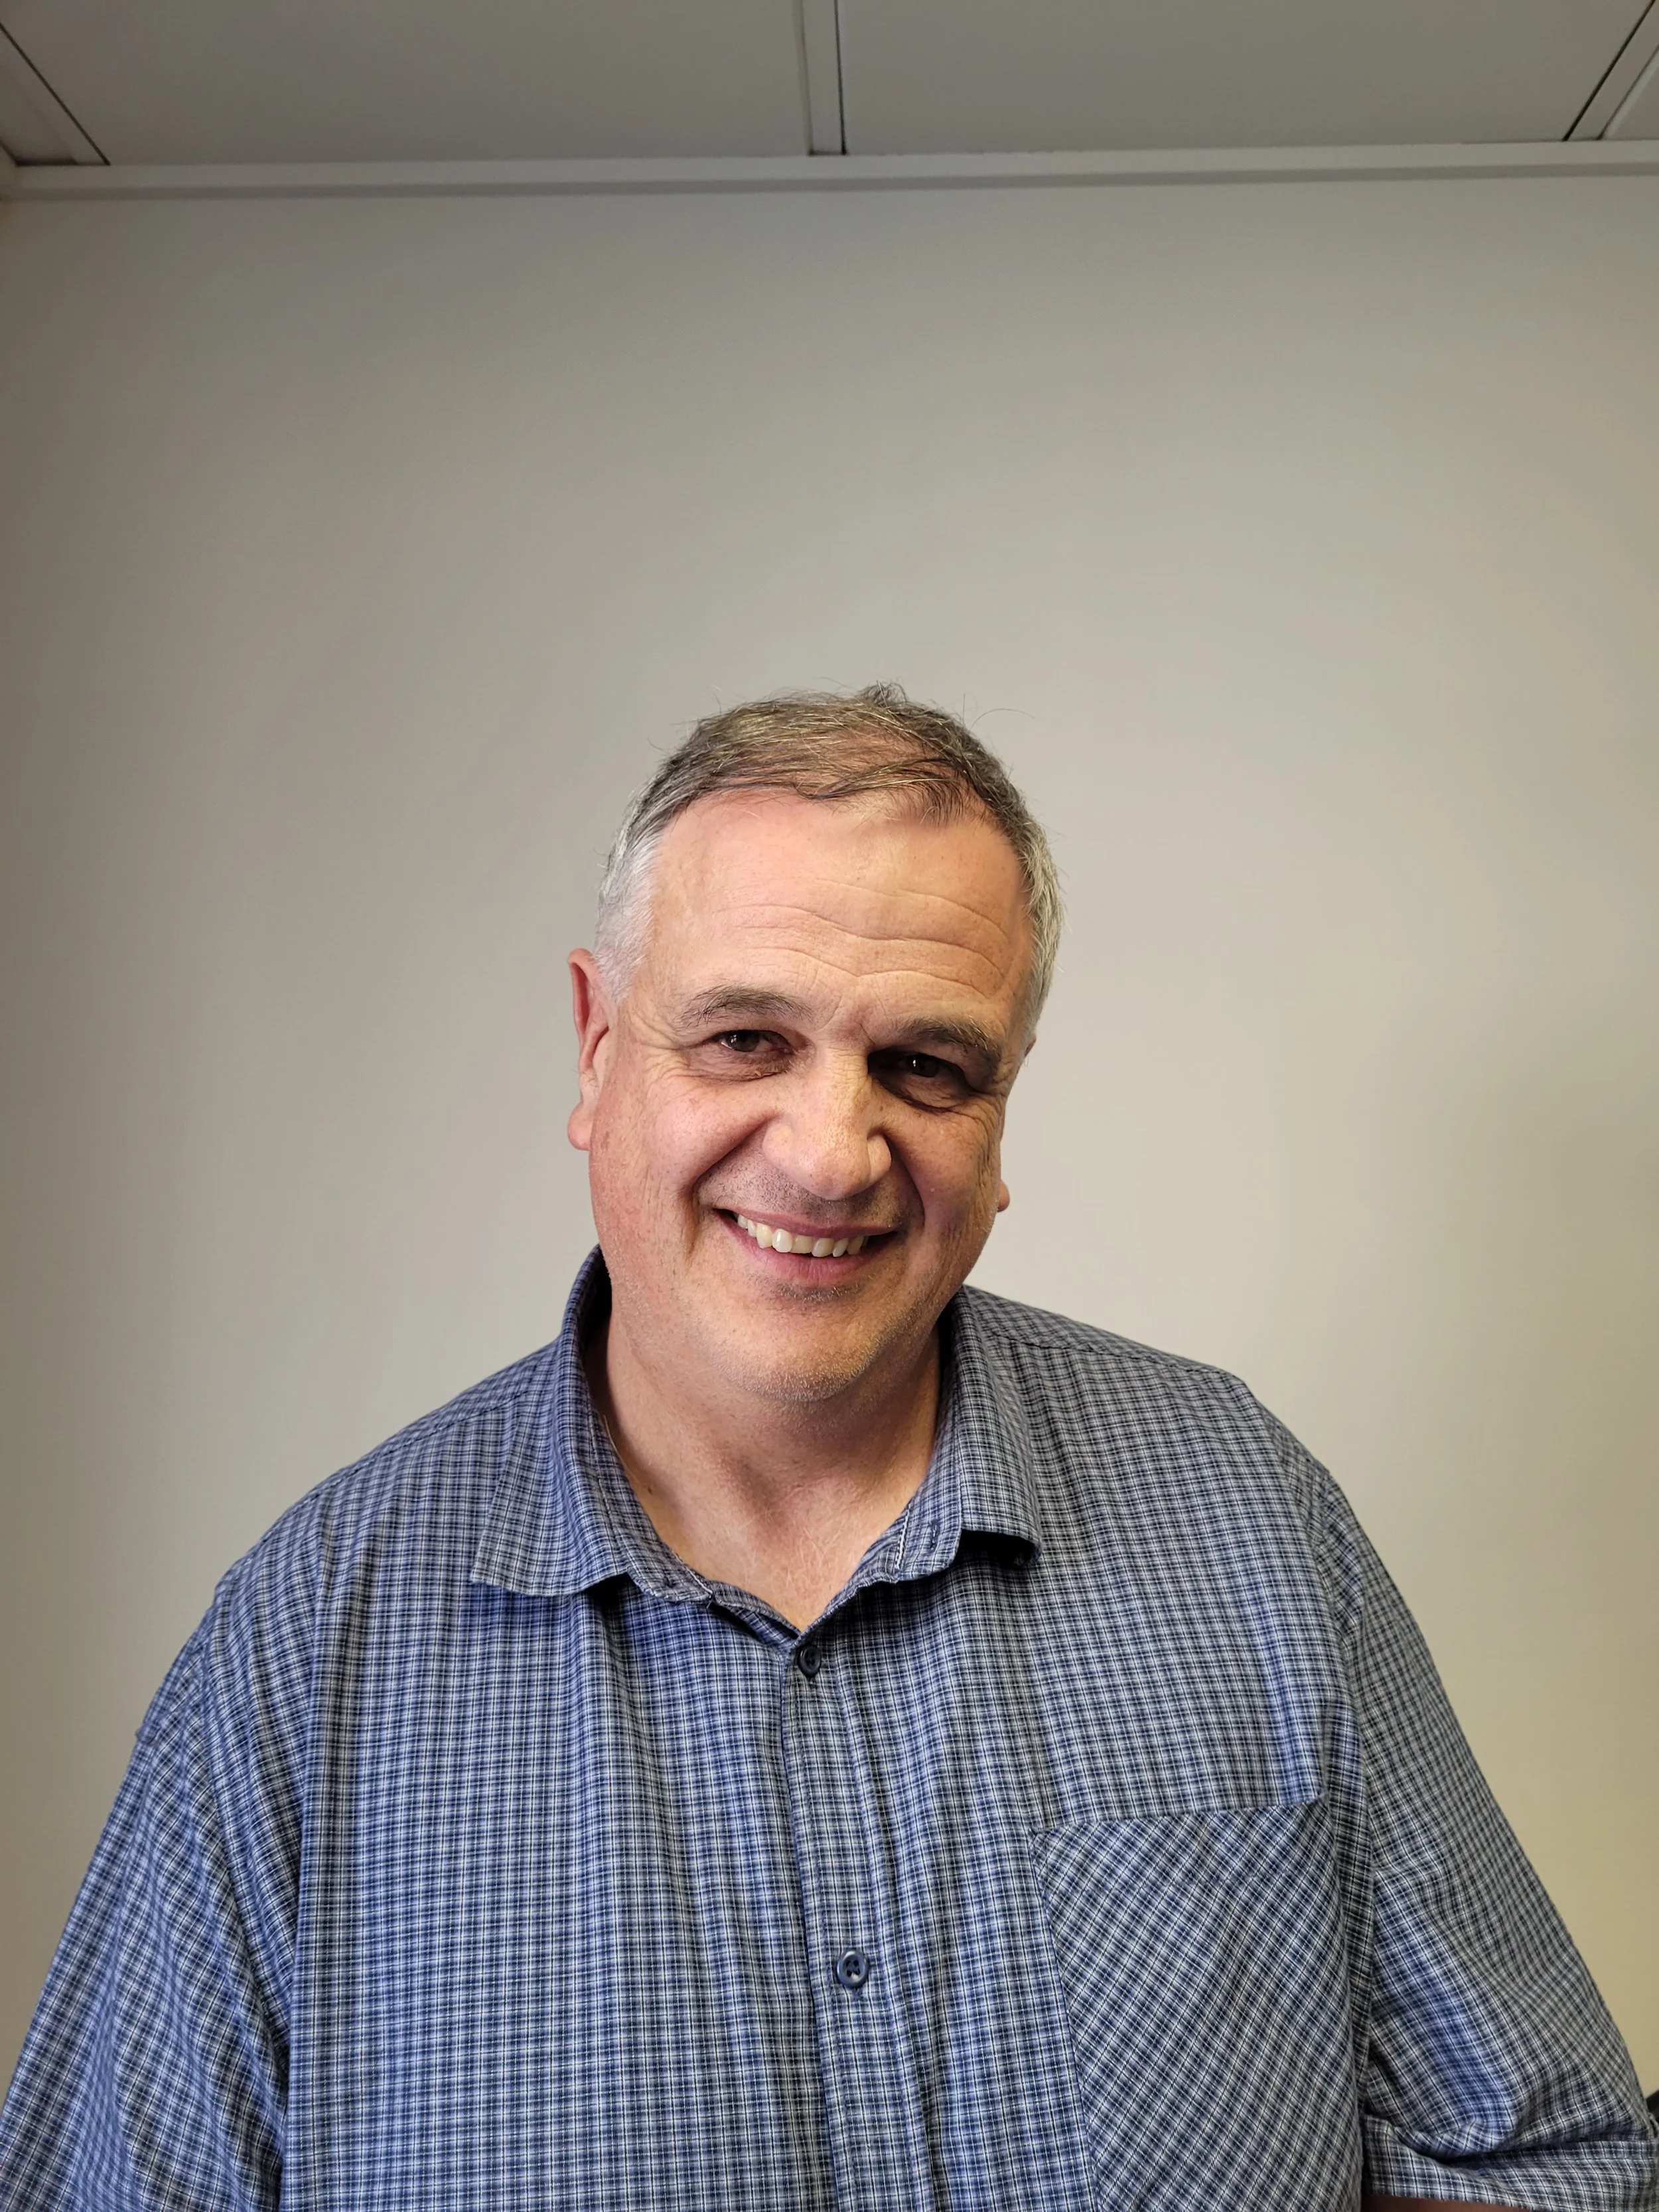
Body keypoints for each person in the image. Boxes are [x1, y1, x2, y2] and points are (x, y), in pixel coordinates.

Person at [1, 686, 1653, 2211]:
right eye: (744, 1038)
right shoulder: (305, 1651)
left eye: (923, 1065)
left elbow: (1550, 2161)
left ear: (1000, 1115)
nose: (827, 1150)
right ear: (594, 1048)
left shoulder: (1248, 1520)